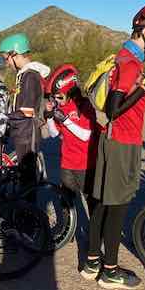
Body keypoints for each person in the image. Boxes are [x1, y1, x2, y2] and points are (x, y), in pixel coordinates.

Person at [86, 5, 145, 289]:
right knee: (117, 207)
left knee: (103, 202)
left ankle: (91, 262)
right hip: (122, 143)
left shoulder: (124, 56)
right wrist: (144, 89)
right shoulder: (130, 64)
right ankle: (109, 271)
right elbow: (114, 109)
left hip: (113, 140)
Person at [43, 63, 99, 238]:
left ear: (70, 91)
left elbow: (85, 135)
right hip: (67, 162)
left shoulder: (84, 106)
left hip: (85, 164)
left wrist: (66, 120)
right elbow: (54, 135)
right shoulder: (62, 107)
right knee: (66, 201)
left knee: (91, 201)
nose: (56, 101)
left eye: (59, 97)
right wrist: (50, 117)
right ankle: (66, 230)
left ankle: (95, 234)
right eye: (54, 98)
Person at [0, 34, 48, 189]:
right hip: (24, 131)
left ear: (15, 54)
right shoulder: (25, 75)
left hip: (27, 133)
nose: (7, 63)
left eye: (6, 58)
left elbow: (26, 111)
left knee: (27, 181)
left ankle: (28, 212)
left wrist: (2, 118)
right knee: (25, 176)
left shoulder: (29, 76)